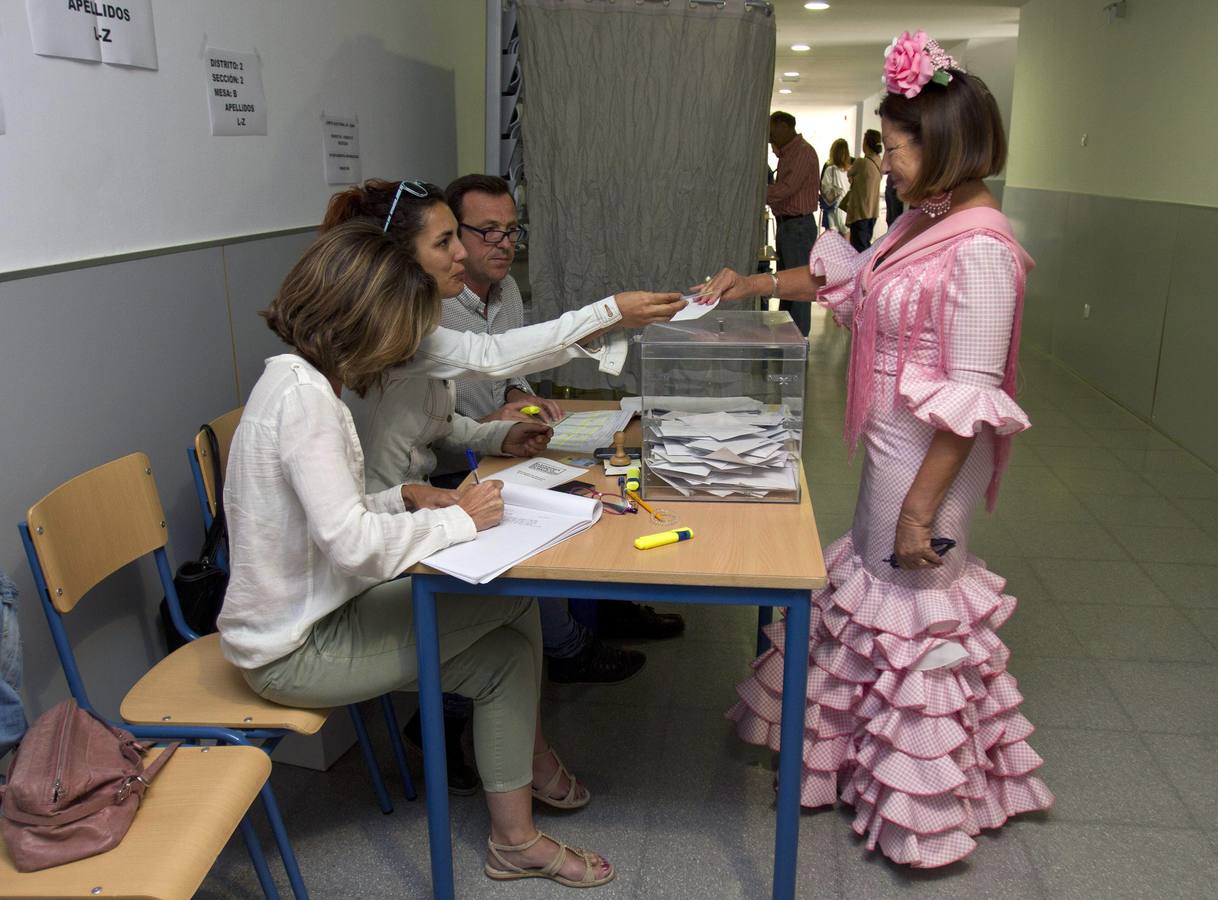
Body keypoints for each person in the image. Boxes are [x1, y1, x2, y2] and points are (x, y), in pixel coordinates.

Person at [220, 215, 683, 885]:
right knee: (512, 609)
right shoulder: (308, 405)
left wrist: (405, 495)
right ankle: (522, 811)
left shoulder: (296, 383)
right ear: (364, 320)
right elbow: (352, 547)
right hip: (293, 647)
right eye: (401, 330)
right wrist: (458, 521)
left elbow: (329, 520)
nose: (404, 349)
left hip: (313, 612)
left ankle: (515, 835)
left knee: (507, 643)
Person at [698, 31, 1053, 869]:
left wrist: (919, 512)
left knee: (913, 604)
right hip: (895, 445)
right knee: (877, 597)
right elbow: (851, 280)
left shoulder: (980, 246)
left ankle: (921, 813)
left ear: (946, 146)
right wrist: (754, 284)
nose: (883, 165)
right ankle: (866, 766)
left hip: (928, 462)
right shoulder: (928, 220)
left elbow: (969, 406)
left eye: (895, 150)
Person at [439, 174, 683, 675]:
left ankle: (606, 606)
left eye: (512, 230)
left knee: (603, 489)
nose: (504, 244)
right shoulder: (431, 308)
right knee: (548, 518)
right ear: (453, 237)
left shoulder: (506, 290)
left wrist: (516, 396)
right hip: (452, 467)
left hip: (499, 447)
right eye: (488, 231)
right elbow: (477, 369)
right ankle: (567, 648)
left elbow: (509, 365)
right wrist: (488, 424)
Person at [766, 111, 820, 336]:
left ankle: (798, 339)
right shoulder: (788, 153)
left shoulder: (802, 152)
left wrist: (755, 192)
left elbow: (786, 188)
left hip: (797, 227)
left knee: (798, 288)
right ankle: (788, 337)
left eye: (772, 131)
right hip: (788, 226)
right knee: (786, 286)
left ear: (784, 126)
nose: (769, 136)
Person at [843, 129, 883, 251]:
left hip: (860, 212)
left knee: (858, 248)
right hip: (873, 211)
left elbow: (850, 172)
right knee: (865, 243)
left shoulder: (861, 162)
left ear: (866, 143)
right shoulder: (879, 162)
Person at [819, 139, 851, 237]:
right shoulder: (851, 171)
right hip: (846, 210)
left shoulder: (830, 170)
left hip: (832, 211)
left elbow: (824, 189)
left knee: (833, 241)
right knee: (847, 240)